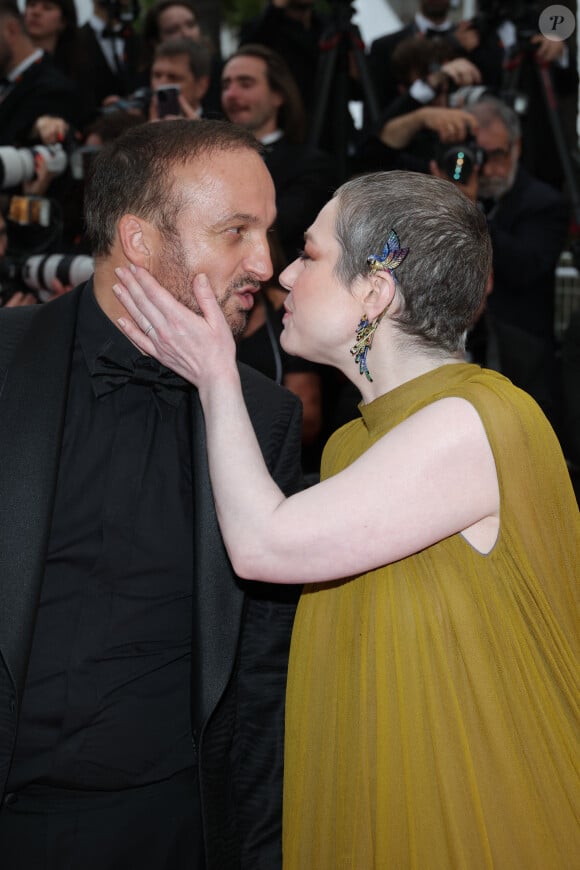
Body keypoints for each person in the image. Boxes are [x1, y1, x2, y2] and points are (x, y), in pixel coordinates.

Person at [114, 169, 579, 868]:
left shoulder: (470, 419)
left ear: (375, 290)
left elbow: (264, 545)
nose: (285, 276)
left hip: (474, 795)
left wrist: (217, 374)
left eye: (310, 254)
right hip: (380, 772)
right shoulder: (353, 442)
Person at [0, 119, 304, 869]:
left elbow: (263, 682)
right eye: (236, 231)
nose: (265, 262)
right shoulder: (5, 364)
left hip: (168, 828)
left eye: (268, 231)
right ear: (138, 241)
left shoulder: (265, 419)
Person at [0, 0, 82, 146]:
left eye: (47, 7)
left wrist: (42, 125)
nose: (36, 12)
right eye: (31, 5)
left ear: (11, 30)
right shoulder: (10, 75)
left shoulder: (54, 89)